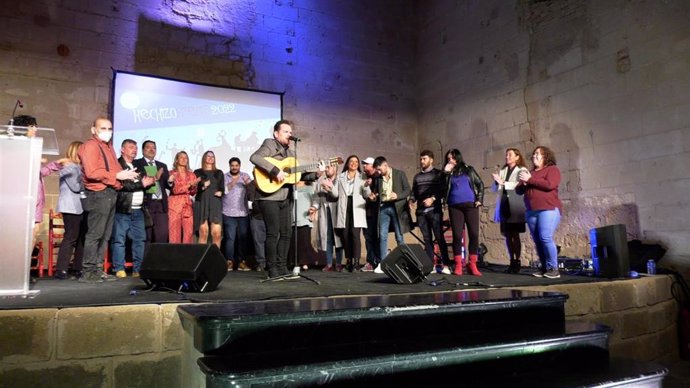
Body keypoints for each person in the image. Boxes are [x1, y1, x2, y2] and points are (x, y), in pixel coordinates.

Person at [249, 119, 321, 278]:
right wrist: (275, 170)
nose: (290, 134)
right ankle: (272, 268)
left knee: (287, 233)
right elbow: (255, 158)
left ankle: (282, 267)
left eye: (290, 132)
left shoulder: (291, 153)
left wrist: (316, 174)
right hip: (268, 197)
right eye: (286, 131)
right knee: (273, 233)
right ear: (276, 133)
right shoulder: (269, 144)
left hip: (285, 197)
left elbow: (297, 175)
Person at [78, 117, 139, 283]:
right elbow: (91, 172)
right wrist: (116, 176)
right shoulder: (90, 146)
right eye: (103, 128)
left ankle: (98, 269)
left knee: (105, 235)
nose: (107, 132)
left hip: (110, 193)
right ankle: (89, 271)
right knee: (95, 234)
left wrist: (126, 174)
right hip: (98, 194)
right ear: (93, 130)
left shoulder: (108, 147)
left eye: (109, 128)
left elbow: (114, 169)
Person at [516, 146, 563, 279]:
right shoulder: (530, 173)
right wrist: (522, 184)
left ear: (546, 156)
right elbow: (519, 191)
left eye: (538, 154)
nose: (534, 156)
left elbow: (550, 185)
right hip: (532, 211)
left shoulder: (552, 169)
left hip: (548, 209)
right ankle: (544, 267)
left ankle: (553, 268)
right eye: (534, 154)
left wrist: (529, 180)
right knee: (537, 240)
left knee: (545, 237)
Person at [111, 139, 155, 278]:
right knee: (119, 239)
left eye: (135, 148)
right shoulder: (117, 165)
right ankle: (119, 268)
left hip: (138, 210)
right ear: (122, 150)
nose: (134, 150)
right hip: (123, 209)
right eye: (131, 147)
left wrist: (150, 182)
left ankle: (138, 269)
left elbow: (143, 185)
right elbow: (124, 185)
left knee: (140, 239)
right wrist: (142, 184)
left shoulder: (137, 166)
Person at [443, 148, 484, 276]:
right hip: (454, 206)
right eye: (448, 158)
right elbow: (442, 188)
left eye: (453, 158)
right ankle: (458, 264)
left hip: (471, 205)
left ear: (458, 158)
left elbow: (480, 184)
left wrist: (479, 199)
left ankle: (472, 264)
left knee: (474, 234)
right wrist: (446, 173)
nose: (451, 160)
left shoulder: (469, 169)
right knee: (457, 235)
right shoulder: (446, 173)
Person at [368, 156, 411, 273]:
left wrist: (398, 195)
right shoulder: (378, 179)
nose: (378, 172)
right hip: (383, 207)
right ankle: (383, 263)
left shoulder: (399, 174)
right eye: (376, 170)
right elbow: (376, 194)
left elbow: (408, 190)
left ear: (385, 165)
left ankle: (404, 262)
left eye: (379, 169)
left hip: (397, 207)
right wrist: (373, 197)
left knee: (399, 236)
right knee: (382, 236)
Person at [410, 150, 450, 274]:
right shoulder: (417, 176)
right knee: (427, 239)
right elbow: (414, 192)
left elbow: (443, 190)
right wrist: (411, 200)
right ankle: (430, 265)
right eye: (421, 159)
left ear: (431, 160)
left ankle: (446, 265)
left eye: (424, 159)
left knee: (439, 237)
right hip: (421, 212)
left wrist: (433, 198)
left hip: (435, 211)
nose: (422, 161)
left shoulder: (439, 174)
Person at [492, 148, 529, 274]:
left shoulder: (522, 170)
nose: (507, 157)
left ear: (517, 157)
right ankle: (511, 260)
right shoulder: (503, 170)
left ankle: (517, 260)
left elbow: (519, 184)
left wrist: (503, 183)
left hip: (515, 205)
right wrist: (496, 182)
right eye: (506, 155)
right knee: (507, 234)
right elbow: (495, 188)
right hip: (504, 205)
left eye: (510, 155)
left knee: (515, 234)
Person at [54, 141, 87, 280]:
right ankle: (61, 269)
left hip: (80, 206)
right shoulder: (70, 167)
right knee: (71, 237)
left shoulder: (78, 167)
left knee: (81, 238)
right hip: (71, 207)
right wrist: (87, 181)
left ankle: (77, 268)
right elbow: (75, 186)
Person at [133, 140, 170, 245]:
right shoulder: (137, 163)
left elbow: (167, 184)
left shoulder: (162, 165)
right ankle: (145, 260)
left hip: (161, 204)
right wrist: (155, 177)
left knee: (162, 235)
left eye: (153, 147)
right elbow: (138, 181)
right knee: (146, 236)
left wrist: (170, 181)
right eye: (148, 147)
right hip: (146, 205)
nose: (151, 149)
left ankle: (159, 261)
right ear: (143, 150)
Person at [335, 155, 367, 272]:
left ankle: (356, 263)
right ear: (347, 163)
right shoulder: (340, 177)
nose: (353, 163)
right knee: (345, 234)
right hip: (344, 206)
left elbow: (366, 194)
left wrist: (368, 187)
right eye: (351, 161)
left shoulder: (363, 176)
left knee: (355, 234)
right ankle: (348, 261)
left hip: (357, 207)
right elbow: (335, 193)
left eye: (356, 162)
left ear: (358, 164)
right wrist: (329, 188)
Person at [309, 164, 343, 272]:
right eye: (326, 167)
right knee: (327, 237)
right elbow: (316, 197)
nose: (327, 169)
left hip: (337, 211)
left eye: (330, 167)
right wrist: (314, 207)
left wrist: (330, 188)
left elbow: (337, 195)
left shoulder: (340, 180)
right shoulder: (320, 181)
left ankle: (338, 263)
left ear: (335, 169)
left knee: (338, 238)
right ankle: (329, 264)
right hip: (325, 211)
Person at [221, 157, 252, 271]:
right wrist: (233, 182)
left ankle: (242, 262)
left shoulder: (245, 176)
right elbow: (223, 191)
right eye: (232, 165)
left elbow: (252, 190)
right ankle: (229, 262)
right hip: (228, 213)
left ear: (239, 166)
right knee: (230, 239)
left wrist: (248, 184)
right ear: (229, 166)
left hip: (243, 212)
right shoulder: (224, 177)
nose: (234, 167)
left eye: (236, 165)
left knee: (242, 238)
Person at [193, 150, 224, 249]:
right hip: (202, 202)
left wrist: (221, 192)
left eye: (212, 156)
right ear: (204, 158)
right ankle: (201, 261)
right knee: (203, 233)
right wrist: (202, 185)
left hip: (215, 203)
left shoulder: (219, 172)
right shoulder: (197, 172)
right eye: (208, 156)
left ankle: (215, 260)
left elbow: (222, 188)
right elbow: (194, 189)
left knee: (216, 234)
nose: (210, 158)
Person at [167, 151, 199, 244]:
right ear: (176, 160)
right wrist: (189, 185)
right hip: (174, 206)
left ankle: (187, 256)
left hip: (187, 206)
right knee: (174, 233)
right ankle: (174, 256)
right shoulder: (171, 173)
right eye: (181, 157)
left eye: (186, 158)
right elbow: (175, 190)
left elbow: (193, 193)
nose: (184, 159)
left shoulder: (191, 174)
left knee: (189, 233)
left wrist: (193, 187)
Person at [289, 180, 317, 274]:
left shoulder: (310, 187)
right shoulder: (291, 187)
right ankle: (295, 262)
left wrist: (313, 211)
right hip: (293, 216)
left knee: (305, 242)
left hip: (305, 217)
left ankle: (304, 262)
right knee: (294, 242)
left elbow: (315, 202)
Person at [360, 157, 380, 272]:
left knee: (376, 238)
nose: (364, 166)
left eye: (366, 164)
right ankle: (370, 262)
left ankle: (378, 261)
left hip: (376, 213)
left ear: (373, 165)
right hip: (366, 213)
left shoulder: (378, 177)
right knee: (368, 238)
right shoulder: (364, 178)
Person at [246, 180, 266, 271]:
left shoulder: (271, 182)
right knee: (258, 241)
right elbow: (250, 202)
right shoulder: (252, 185)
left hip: (270, 216)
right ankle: (261, 263)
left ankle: (272, 263)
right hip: (257, 216)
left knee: (273, 240)